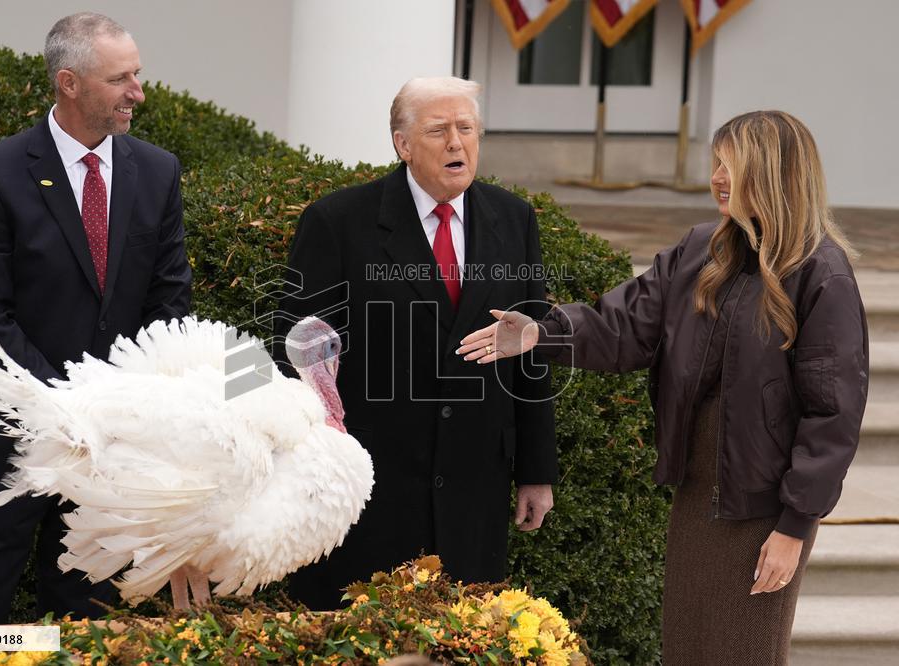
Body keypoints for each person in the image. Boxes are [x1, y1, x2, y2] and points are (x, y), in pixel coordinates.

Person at [458, 110, 868, 664]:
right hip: (699, 489)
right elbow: (624, 325)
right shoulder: (701, 249)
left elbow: (833, 415)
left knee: (741, 651)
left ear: (772, 174)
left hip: (762, 506)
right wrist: (540, 333)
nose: (718, 178)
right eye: (715, 164)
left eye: (733, 166)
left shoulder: (821, 272)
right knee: (688, 648)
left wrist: (794, 527)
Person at [274, 77, 557, 610]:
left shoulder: (513, 219)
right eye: (438, 130)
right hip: (370, 487)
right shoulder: (338, 223)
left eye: (466, 128)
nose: (457, 143)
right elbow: (290, 353)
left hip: (475, 484)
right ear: (403, 145)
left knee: (460, 636)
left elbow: (530, 350)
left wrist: (537, 470)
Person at [0, 12, 192, 623]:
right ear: (69, 83)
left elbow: (170, 302)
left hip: (112, 449)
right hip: (14, 436)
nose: (138, 91)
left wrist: (117, 407)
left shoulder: (157, 171)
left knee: (89, 626)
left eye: (137, 73)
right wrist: (68, 403)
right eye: (121, 78)